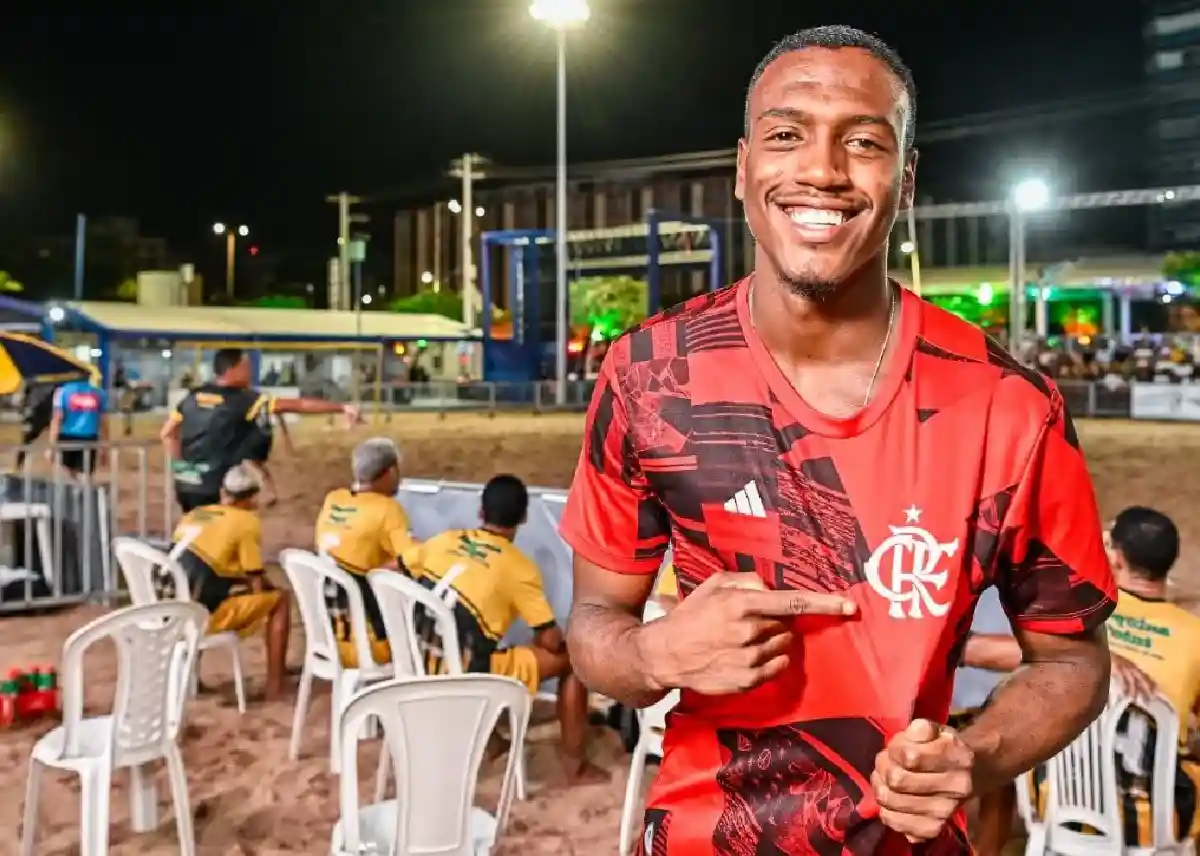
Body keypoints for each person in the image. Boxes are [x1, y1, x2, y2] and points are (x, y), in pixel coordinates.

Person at [560, 25, 1117, 855]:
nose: (821, 170)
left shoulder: (1011, 406)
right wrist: (653, 655)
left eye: (863, 142)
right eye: (787, 136)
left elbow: (1073, 663)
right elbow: (596, 620)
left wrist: (973, 754)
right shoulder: (647, 375)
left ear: (907, 180)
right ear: (744, 169)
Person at [404, 474, 608, 785]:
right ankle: (575, 766)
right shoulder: (518, 567)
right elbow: (550, 639)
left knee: (487, 643)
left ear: (481, 512)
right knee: (573, 663)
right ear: (524, 517)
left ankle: (494, 741)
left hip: (421, 658)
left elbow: (396, 567)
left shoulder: (444, 541)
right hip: (466, 674)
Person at [160, 347, 358, 512]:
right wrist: (341, 407)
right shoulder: (246, 400)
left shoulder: (192, 397)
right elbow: (296, 404)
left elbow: (167, 434)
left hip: (186, 485)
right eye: (246, 367)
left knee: (190, 532)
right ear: (233, 370)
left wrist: (182, 468)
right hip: (219, 487)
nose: (250, 372)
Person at [167, 464, 291, 699]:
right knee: (280, 600)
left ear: (224, 492)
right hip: (197, 617)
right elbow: (256, 581)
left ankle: (191, 678)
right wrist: (264, 587)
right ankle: (276, 686)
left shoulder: (195, 514)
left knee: (200, 588)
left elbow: (202, 564)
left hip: (163, 608)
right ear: (252, 498)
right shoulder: (245, 522)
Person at [314, 437, 415, 668]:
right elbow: (413, 561)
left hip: (329, 640)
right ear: (389, 472)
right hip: (371, 649)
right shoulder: (388, 509)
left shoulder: (334, 499)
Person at [48, 373, 107, 478]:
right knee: (85, 475)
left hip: (68, 437)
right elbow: (103, 422)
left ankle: (72, 492)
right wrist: (104, 448)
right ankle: (83, 493)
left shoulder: (62, 392)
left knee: (66, 474)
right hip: (90, 438)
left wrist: (51, 446)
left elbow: (57, 419)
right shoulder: (99, 393)